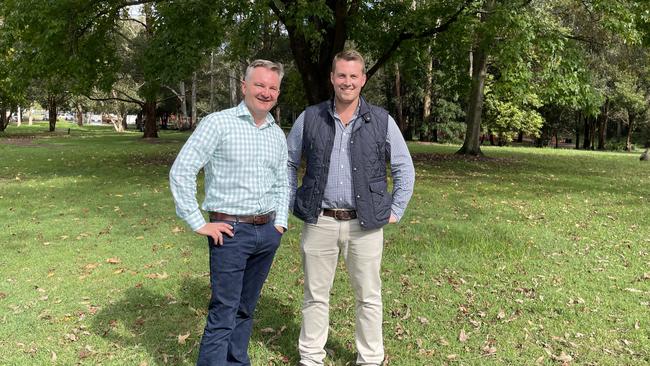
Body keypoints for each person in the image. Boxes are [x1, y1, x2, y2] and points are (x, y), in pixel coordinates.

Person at [287, 50, 415, 366]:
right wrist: (293, 200)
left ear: (363, 79)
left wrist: (396, 208)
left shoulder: (382, 120)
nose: (347, 82)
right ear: (332, 78)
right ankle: (311, 357)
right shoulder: (310, 117)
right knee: (315, 295)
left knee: (368, 297)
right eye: (341, 75)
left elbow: (403, 167)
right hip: (320, 220)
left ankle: (370, 358)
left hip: (366, 224)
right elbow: (287, 163)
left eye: (353, 76)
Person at [169, 59, 288, 366]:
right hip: (230, 233)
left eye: (272, 87)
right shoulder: (218, 123)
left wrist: (281, 224)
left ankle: (237, 361)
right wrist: (198, 223)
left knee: (245, 308)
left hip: (266, 233)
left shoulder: (276, 132)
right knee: (224, 312)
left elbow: (283, 181)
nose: (266, 92)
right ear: (244, 86)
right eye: (260, 85)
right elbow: (181, 171)